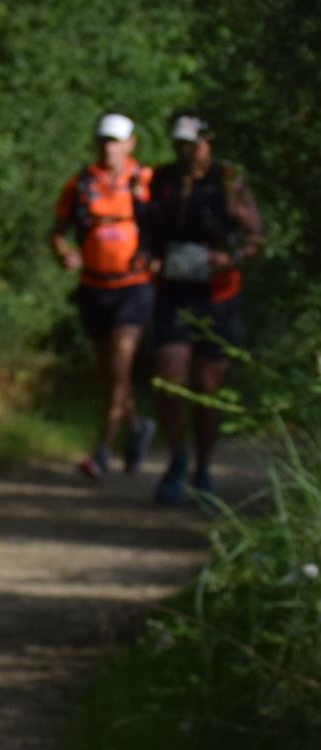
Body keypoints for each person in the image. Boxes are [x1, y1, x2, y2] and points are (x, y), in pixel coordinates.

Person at [144, 111, 262, 506]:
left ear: (208, 143)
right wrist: (149, 257)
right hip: (173, 293)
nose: (186, 151)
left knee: (207, 387)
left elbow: (255, 237)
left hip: (218, 295)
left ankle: (204, 468)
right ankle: (176, 459)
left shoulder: (228, 181)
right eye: (179, 144)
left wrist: (229, 259)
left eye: (192, 144)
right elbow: (148, 231)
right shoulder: (161, 180)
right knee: (169, 379)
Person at [50, 112, 155, 480]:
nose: (109, 147)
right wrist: (63, 252)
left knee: (119, 366)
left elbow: (164, 225)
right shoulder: (80, 183)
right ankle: (137, 426)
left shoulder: (145, 182)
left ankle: (102, 451)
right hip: (93, 288)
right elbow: (58, 231)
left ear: (130, 143)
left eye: (116, 141)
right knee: (108, 372)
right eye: (104, 140)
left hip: (133, 287)